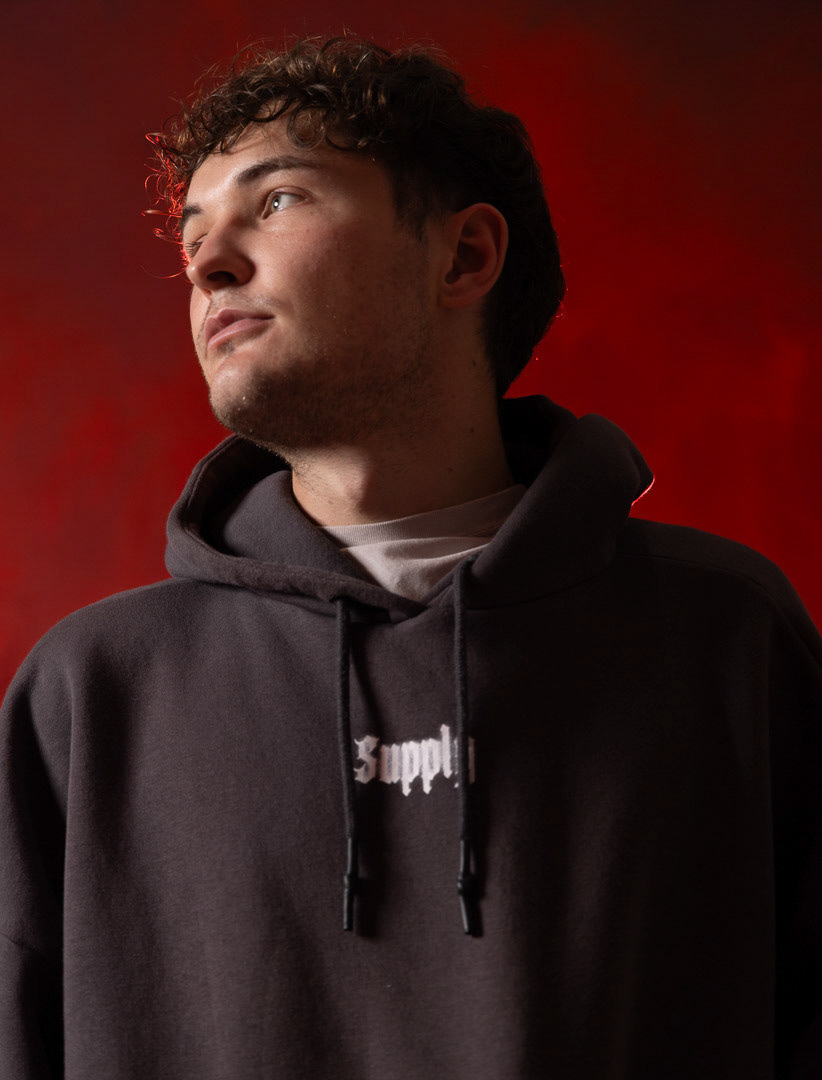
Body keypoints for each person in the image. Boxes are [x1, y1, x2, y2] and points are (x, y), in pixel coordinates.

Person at [1, 34, 820, 1080]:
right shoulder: (90, 692)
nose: (208, 265)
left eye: (277, 200)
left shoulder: (726, 639)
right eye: (194, 237)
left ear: (464, 256)